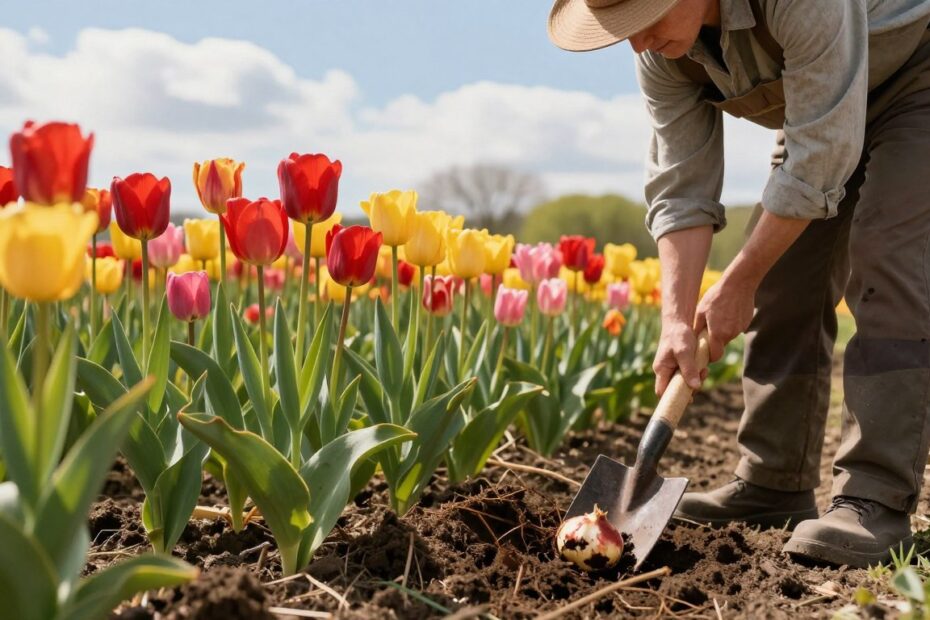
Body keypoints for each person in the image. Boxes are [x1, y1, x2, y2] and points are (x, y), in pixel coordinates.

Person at [548, 0, 930, 568]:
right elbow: (682, 187)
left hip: (912, 79)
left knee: (882, 260)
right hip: (817, 109)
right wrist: (676, 320)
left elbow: (822, 157)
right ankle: (773, 483)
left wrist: (738, 279)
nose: (636, 42)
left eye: (644, 18)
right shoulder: (663, 52)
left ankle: (876, 498)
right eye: (622, 27)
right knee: (781, 280)